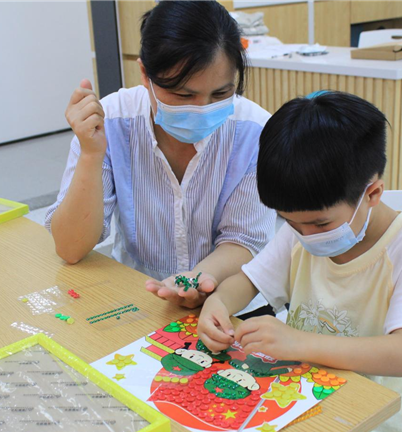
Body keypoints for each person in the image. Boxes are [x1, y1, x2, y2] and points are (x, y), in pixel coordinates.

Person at [197, 91, 402, 432]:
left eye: (320, 223)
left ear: (373, 193)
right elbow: (246, 283)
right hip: (302, 409)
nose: (305, 234)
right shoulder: (300, 233)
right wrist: (217, 304)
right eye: (289, 221)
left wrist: (297, 342)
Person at [45, 1, 274, 309]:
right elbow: (70, 248)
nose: (202, 109)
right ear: (144, 73)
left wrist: (193, 281)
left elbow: (243, 241)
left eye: (221, 94)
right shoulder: (109, 123)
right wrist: (90, 154)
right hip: (137, 300)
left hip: (227, 303)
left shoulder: (256, 132)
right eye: (183, 95)